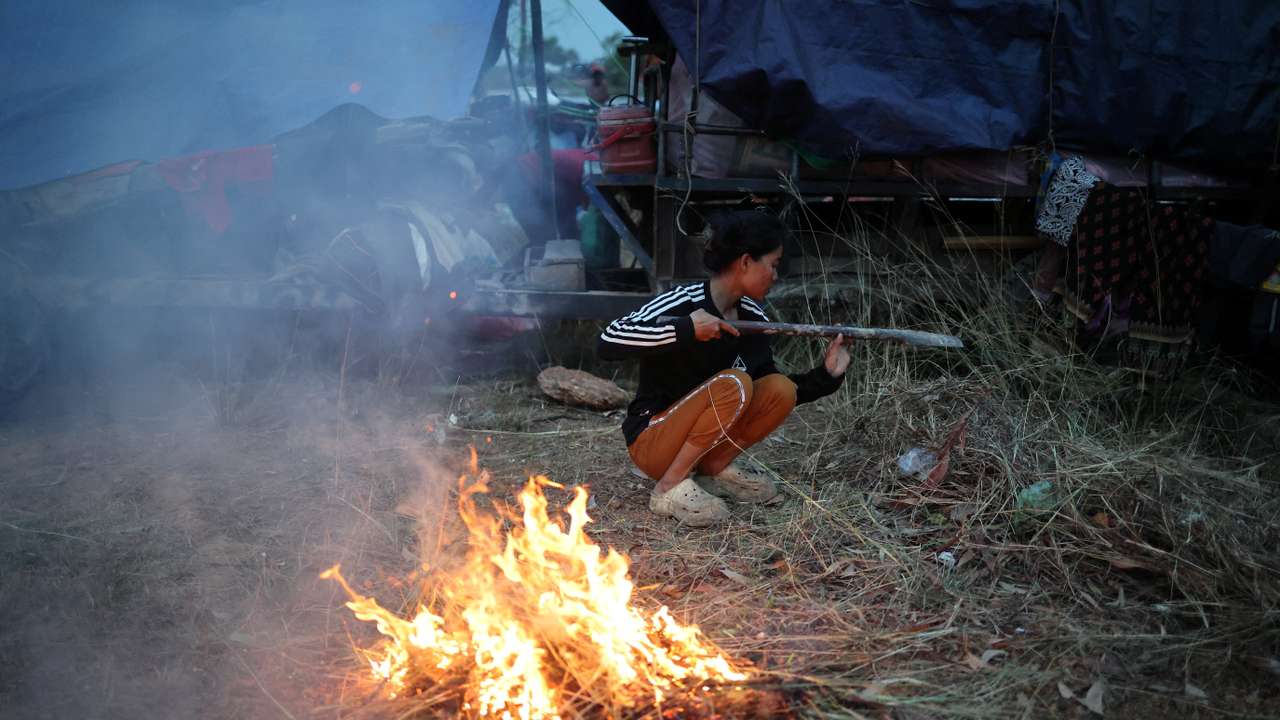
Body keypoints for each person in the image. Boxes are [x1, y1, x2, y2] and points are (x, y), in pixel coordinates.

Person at [597, 211, 851, 526]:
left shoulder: (753, 317)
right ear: (745, 262)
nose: (776, 275)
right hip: (653, 439)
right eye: (773, 265)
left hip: (700, 444)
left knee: (778, 389)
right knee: (735, 383)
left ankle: (713, 470)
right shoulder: (683, 302)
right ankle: (667, 488)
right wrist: (686, 329)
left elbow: (768, 388)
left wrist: (825, 376)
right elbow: (608, 340)